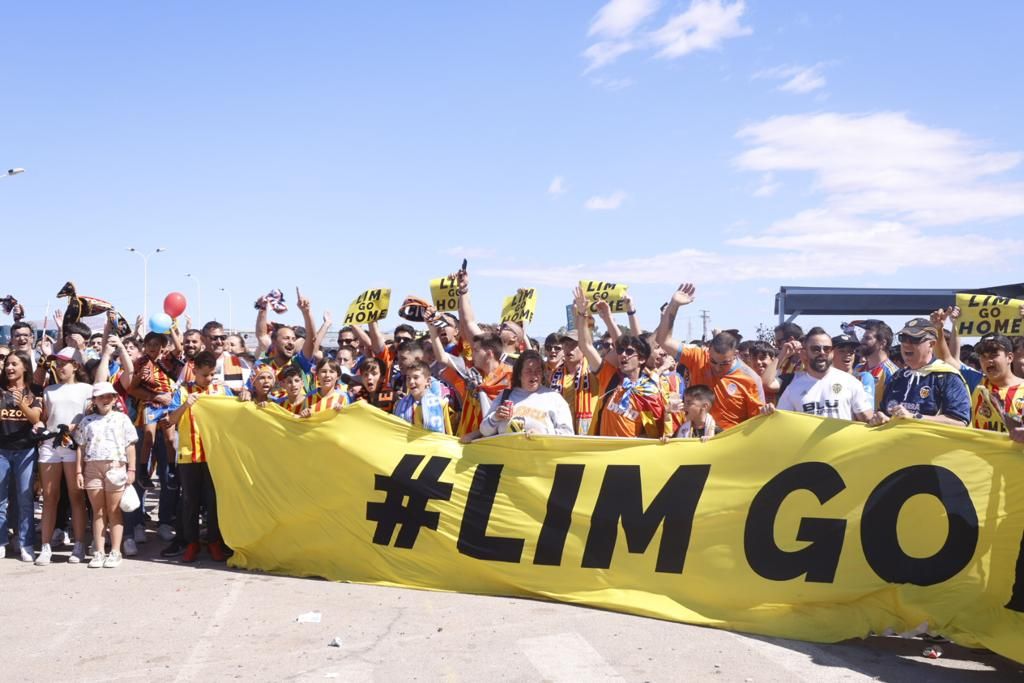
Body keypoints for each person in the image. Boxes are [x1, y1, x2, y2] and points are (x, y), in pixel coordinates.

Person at [655, 283, 764, 429]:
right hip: (696, 438)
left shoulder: (750, 379)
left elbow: (758, 422)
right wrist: (674, 305)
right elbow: (664, 340)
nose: (717, 368)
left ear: (735, 355)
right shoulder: (697, 357)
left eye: (724, 363)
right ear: (709, 350)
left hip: (729, 442)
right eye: (713, 361)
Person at [573, 288, 668, 438]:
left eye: (629, 352)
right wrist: (582, 313)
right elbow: (586, 346)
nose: (623, 355)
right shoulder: (610, 377)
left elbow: (656, 434)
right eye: (620, 351)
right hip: (602, 455)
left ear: (642, 359)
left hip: (630, 457)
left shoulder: (651, 392)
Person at [167, 351, 232, 562]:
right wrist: (186, 405)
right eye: (205, 375)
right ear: (194, 370)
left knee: (214, 501)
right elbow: (169, 420)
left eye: (212, 374)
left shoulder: (222, 390)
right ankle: (192, 543)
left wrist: (247, 395)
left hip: (215, 456)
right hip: (189, 456)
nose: (209, 379)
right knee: (190, 502)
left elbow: (240, 410)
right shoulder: (183, 391)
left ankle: (214, 542)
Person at [35, 347, 92, 565]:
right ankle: (45, 546)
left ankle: (78, 545)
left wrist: (72, 427)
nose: (59, 367)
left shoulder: (87, 389)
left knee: (76, 496)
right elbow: (45, 417)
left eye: (64, 363)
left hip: (74, 447)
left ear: (75, 366)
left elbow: (88, 416)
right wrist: (40, 425)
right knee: (49, 498)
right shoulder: (49, 390)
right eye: (57, 364)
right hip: (50, 446)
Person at [74, 381, 138, 568]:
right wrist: (79, 471)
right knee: (98, 511)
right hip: (92, 467)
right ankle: (99, 551)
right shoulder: (87, 421)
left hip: (115, 466)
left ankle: (115, 551)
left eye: (109, 396)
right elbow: (81, 446)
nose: (105, 399)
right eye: (101, 396)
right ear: (94, 400)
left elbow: (130, 445)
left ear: (115, 398)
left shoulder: (122, 418)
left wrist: (131, 469)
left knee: (114, 510)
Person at [868, 318, 970, 426]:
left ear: (931, 344)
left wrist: (915, 417)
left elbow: (960, 422)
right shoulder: (897, 377)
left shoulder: (947, 376)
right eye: (903, 338)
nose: (906, 344)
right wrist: (879, 417)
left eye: (914, 339)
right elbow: (883, 411)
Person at [771, 328, 873, 423]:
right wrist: (768, 413)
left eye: (827, 349)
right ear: (805, 353)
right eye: (816, 349)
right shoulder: (792, 389)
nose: (822, 353)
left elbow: (867, 419)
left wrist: (880, 419)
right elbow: (780, 424)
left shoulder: (851, 382)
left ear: (832, 353)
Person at [0, 350, 43, 561]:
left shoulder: (34, 390)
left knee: (25, 499)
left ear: (25, 367)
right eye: (7, 364)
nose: (9, 368)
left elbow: (36, 418)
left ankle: (26, 543)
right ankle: (1, 541)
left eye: (14, 364)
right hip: (1, 451)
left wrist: (21, 404)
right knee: (0, 499)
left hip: (26, 450)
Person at [478, 350, 574, 437]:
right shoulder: (505, 395)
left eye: (538, 371)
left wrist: (544, 434)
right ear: (519, 374)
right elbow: (484, 431)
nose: (534, 375)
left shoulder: (554, 398)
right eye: (529, 370)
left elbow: (568, 433)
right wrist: (496, 417)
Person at [963, 333, 1024, 432]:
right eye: (983, 356)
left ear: (1009, 357)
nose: (988, 360)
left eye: (993, 355)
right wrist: (940, 329)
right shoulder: (977, 383)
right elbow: (947, 358)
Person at [392, 360, 454, 434]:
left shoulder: (440, 404)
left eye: (416, 377)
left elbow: (448, 434)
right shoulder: (398, 405)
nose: (411, 381)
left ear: (428, 381)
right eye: (408, 378)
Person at [854, 320, 898, 409]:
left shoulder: (892, 372)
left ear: (882, 343)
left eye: (867, 338)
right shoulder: (858, 368)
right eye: (863, 337)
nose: (862, 341)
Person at [831, 333, 876, 402]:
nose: (848, 354)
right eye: (842, 351)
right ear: (831, 354)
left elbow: (867, 407)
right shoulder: (823, 380)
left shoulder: (863, 378)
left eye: (851, 351)